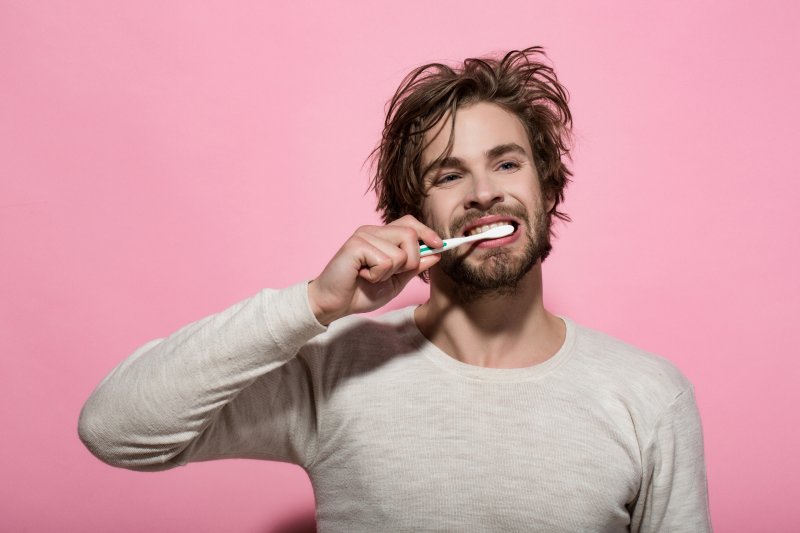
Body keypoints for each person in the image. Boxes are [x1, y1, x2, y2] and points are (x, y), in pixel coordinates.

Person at [78, 47, 712, 532]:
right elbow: (115, 429)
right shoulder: (336, 372)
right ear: (413, 214)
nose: (484, 191)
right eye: (449, 174)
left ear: (547, 190)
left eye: (508, 163)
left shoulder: (649, 395)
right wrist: (314, 306)